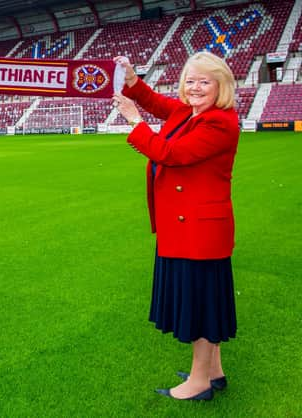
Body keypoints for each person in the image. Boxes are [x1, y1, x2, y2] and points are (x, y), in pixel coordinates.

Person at [112, 51, 239, 401]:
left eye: (204, 81)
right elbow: (156, 101)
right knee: (205, 304)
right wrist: (132, 79)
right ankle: (213, 372)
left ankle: (199, 383)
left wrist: (135, 122)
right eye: (190, 80)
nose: (194, 87)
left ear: (221, 86)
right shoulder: (189, 111)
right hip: (186, 228)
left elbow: (171, 155)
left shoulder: (219, 122)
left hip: (198, 232)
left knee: (199, 307)